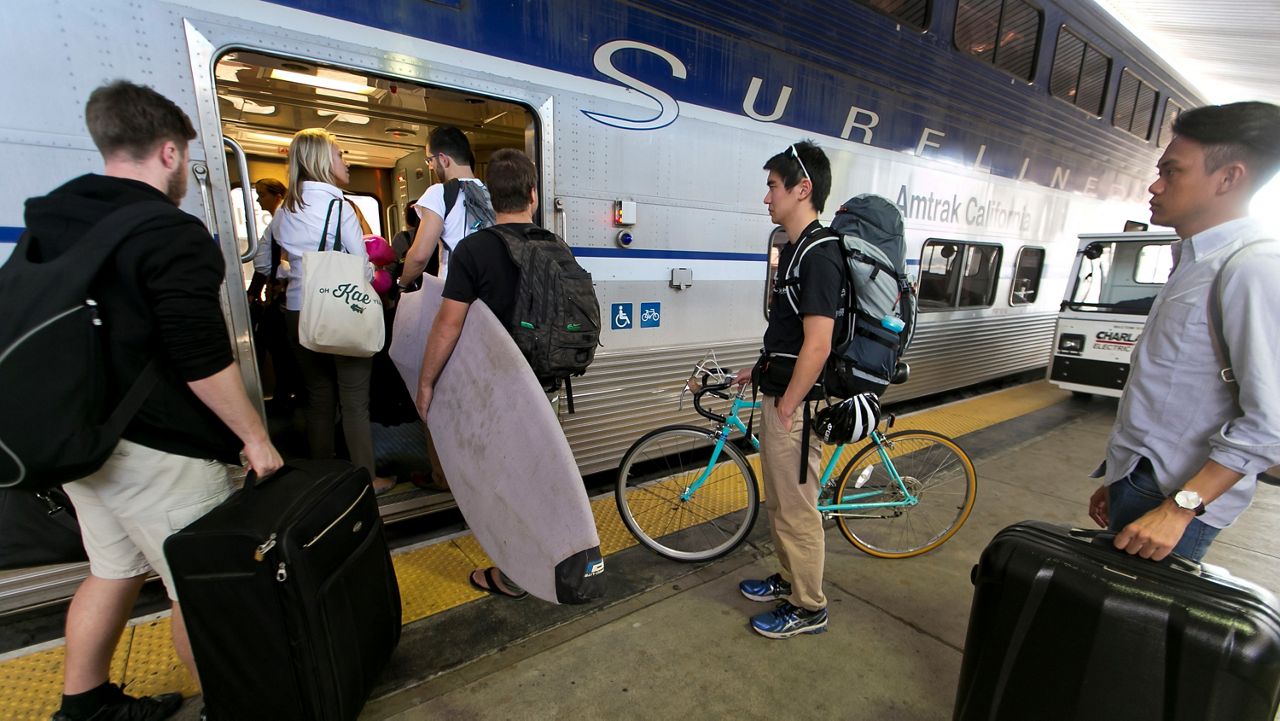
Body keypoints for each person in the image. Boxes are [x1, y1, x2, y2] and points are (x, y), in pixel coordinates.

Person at [24, 80, 283, 721]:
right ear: (169, 154)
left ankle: (83, 706)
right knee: (199, 591)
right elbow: (199, 357)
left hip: (79, 440)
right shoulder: (170, 233)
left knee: (112, 570)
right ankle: (231, 707)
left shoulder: (55, 219)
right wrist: (254, 437)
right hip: (158, 451)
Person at [1087, 101, 1280, 562]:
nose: (1155, 186)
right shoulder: (1195, 261)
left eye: (1171, 172)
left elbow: (1270, 422)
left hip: (1176, 504)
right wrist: (1121, 476)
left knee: (1126, 629)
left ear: (1229, 177)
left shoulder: (1252, 267)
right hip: (1142, 486)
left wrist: (1178, 509)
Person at [413, 147, 546, 599]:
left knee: (501, 484)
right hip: (543, 384)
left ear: (493, 197)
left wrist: (426, 381)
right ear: (532, 193)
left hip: (496, 387)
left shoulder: (474, 250)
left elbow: (448, 324)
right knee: (533, 475)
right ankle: (538, 557)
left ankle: (512, 574)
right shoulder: (551, 244)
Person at [733, 141, 840, 639]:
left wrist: (789, 407)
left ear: (804, 189)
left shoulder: (820, 253)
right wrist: (757, 371)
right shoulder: (796, 249)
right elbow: (791, 334)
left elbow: (818, 346)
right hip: (779, 396)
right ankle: (790, 580)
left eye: (774, 186)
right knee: (780, 503)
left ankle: (809, 607)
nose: (766, 197)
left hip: (794, 407)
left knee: (797, 509)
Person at [265, 128, 395, 494]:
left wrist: (292, 273)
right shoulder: (341, 207)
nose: (347, 161)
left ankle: (322, 479)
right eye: (341, 154)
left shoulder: (285, 208)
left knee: (318, 397)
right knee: (354, 401)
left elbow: (264, 261)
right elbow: (360, 264)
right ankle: (367, 478)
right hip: (340, 309)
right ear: (322, 161)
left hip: (298, 311)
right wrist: (374, 274)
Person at [397, 126, 489, 286]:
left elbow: (420, 256)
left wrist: (402, 283)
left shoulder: (439, 193)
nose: (430, 166)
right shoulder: (492, 193)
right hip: (489, 292)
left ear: (444, 159)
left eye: (429, 160)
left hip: (455, 296)